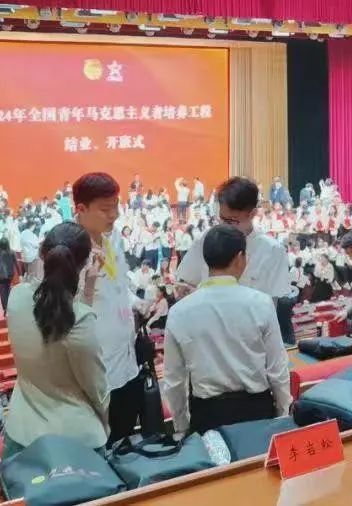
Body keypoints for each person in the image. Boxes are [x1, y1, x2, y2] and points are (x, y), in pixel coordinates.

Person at [161, 225, 291, 436]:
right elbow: (277, 368)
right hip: (256, 410)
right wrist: (283, 413)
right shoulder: (261, 303)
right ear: (240, 258)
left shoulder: (179, 312)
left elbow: (174, 380)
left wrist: (182, 426)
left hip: (208, 415)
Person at [3, 222, 108, 460]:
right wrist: (104, 423)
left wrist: (88, 289)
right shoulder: (81, 319)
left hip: (21, 432)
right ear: (83, 263)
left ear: (42, 252)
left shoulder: (16, 297)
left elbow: (63, 315)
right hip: (77, 442)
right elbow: (97, 389)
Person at [176, 177, 295, 345]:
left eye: (231, 221)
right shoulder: (207, 239)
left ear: (252, 214)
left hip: (248, 343)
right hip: (205, 338)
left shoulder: (272, 251)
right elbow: (186, 282)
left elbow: (268, 311)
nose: (224, 226)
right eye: (221, 218)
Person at [73, 172, 142, 445]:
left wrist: (138, 302)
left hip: (127, 363)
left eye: (116, 206)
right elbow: (67, 315)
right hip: (97, 374)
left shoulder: (111, 241)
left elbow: (119, 287)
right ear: (81, 209)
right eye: (105, 209)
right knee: (101, 445)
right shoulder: (69, 252)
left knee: (125, 441)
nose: (114, 215)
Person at [0, 239, 18, 313]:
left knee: (2, 291)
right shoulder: (12, 252)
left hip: (0, 275)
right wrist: (20, 274)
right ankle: (9, 306)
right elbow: (16, 263)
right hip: (10, 274)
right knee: (8, 289)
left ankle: (5, 308)